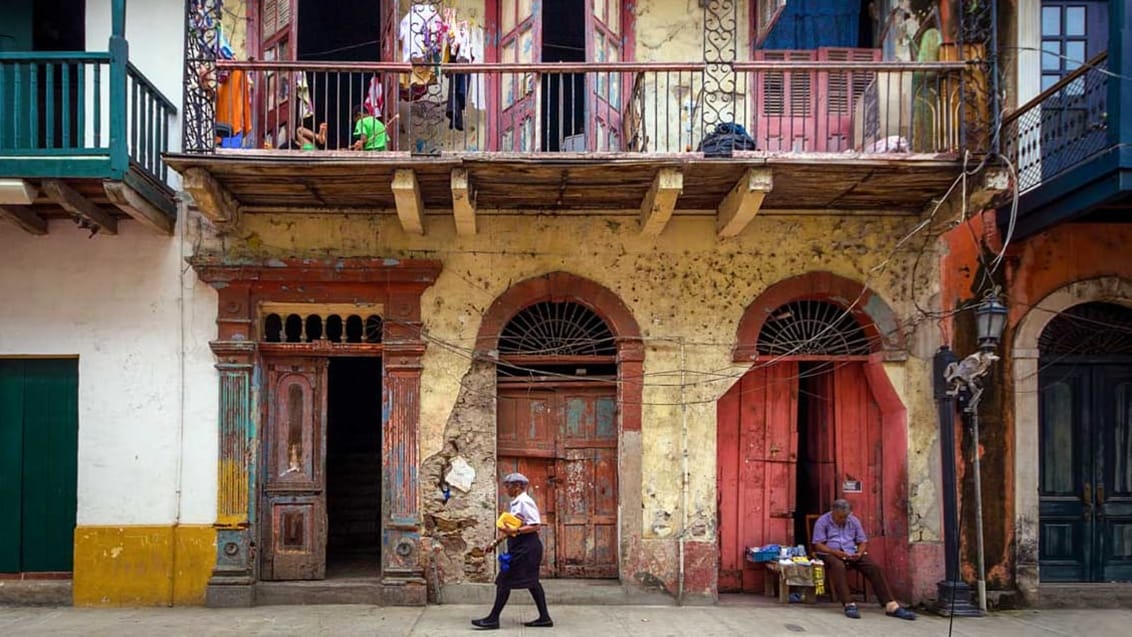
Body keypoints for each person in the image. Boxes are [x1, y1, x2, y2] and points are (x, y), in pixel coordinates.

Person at [472, 473, 553, 630]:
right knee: (532, 582)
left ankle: (492, 619)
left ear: (518, 486)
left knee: (504, 580)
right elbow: (512, 528)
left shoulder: (525, 501)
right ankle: (544, 618)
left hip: (527, 548)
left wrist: (516, 530)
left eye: (508, 486)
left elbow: (536, 525)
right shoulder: (516, 502)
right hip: (521, 546)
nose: (506, 489)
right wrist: (495, 542)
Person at [812, 499, 916, 620]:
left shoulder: (853, 521)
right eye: (840, 517)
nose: (843, 520)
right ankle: (848, 604)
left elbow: (862, 541)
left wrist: (859, 553)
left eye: (845, 517)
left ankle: (890, 605)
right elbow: (818, 544)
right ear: (833, 512)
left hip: (851, 551)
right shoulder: (823, 521)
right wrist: (836, 552)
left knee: (874, 568)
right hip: (830, 552)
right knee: (838, 566)